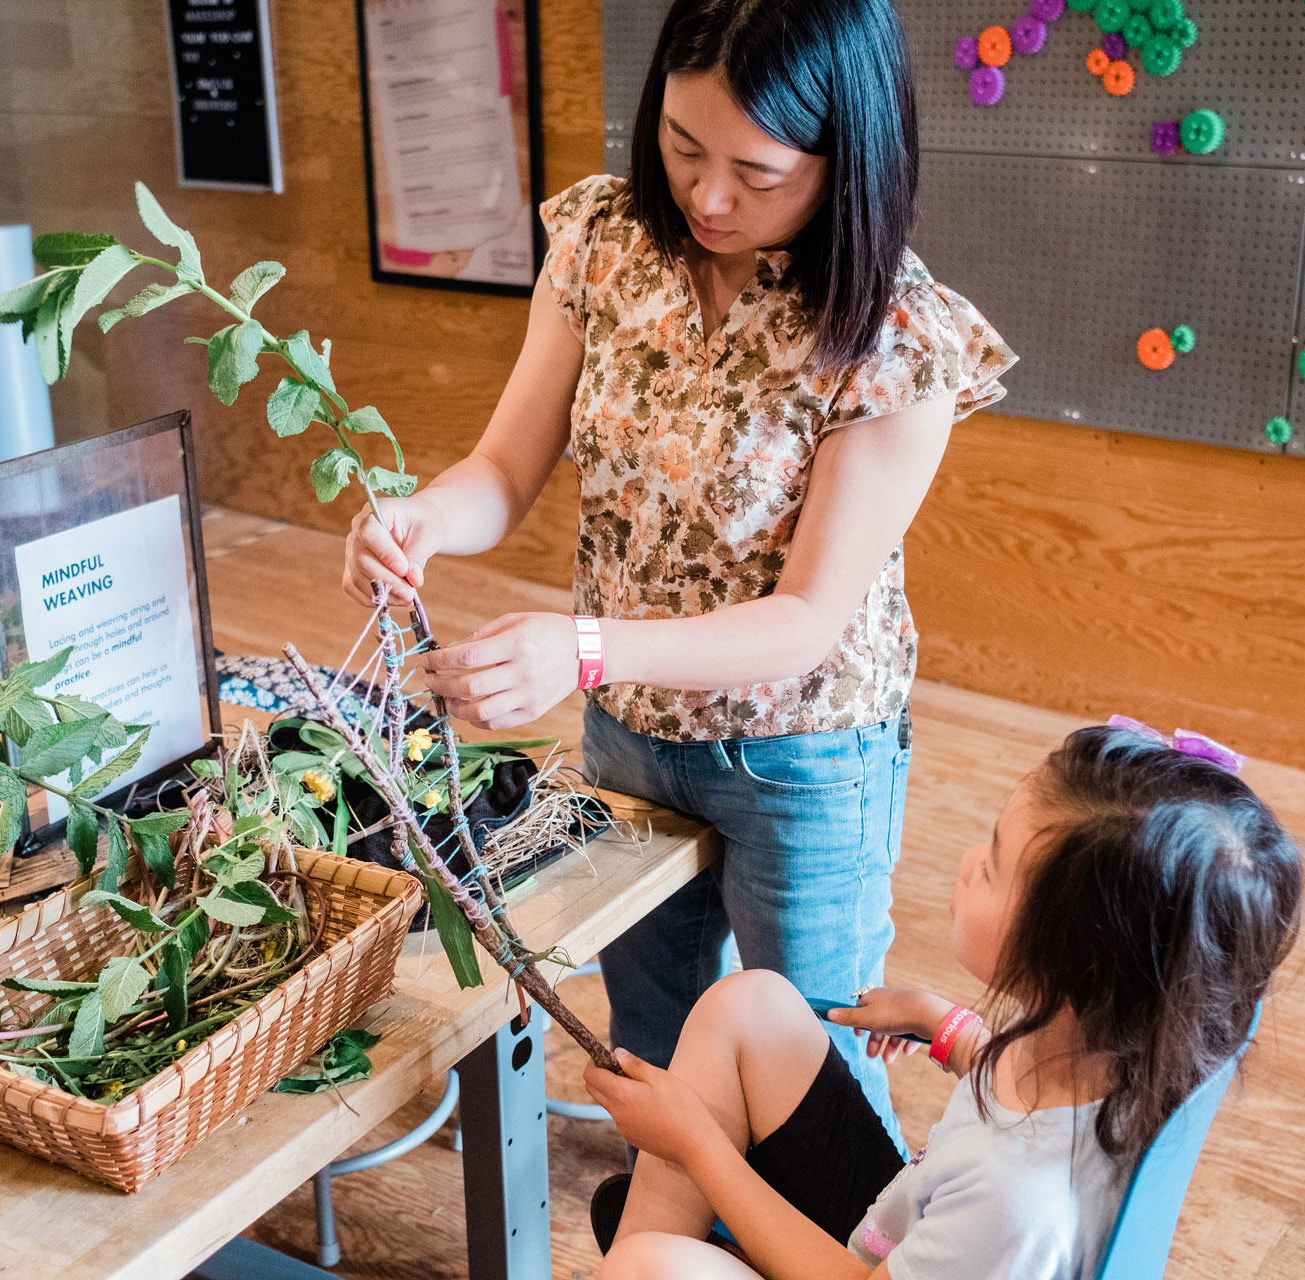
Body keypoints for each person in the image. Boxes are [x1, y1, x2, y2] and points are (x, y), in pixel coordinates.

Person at [341, 0, 1014, 1145]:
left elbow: (805, 619)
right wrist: (420, 517)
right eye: (682, 145)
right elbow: (505, 465)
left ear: (848, 156)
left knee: (811, 1069)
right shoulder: (606, 241)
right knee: (650, 1040)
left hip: (800, 750)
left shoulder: (897, 332)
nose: (707, 198)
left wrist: (580, 644)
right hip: (629, 731)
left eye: (756, 171)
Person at [580, 719, 1305, 1280]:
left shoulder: (1017, 1200)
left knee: (655, 1265)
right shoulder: (1116, 1041)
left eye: (992, 868)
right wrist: (948, 1029)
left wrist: (700, 1148)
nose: (968, 864)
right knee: (750, 1009)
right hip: (901, 1232)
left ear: (1067, 957)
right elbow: (1023, 1091)